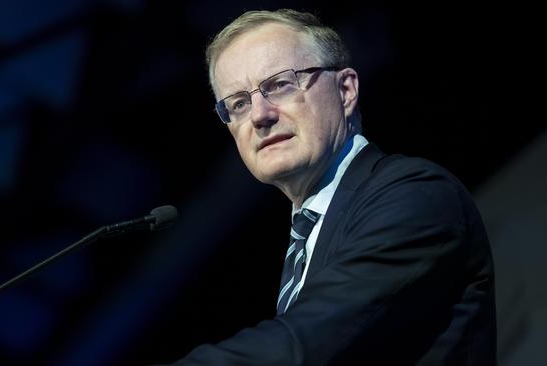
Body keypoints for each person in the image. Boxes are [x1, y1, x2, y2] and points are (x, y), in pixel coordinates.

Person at [164, 9, 496, 365]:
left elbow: (304, 346)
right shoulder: (307, 238)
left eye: (279, 84)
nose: (259, 115)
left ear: (346, 89)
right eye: (240, 104)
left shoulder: (416, 195)